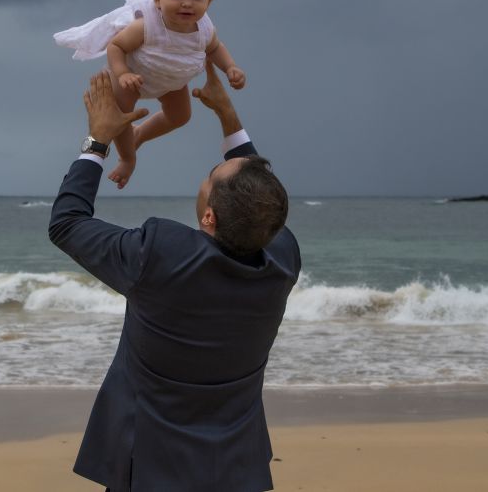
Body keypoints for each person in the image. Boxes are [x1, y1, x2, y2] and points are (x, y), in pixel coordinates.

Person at [48, 64, 301, 491]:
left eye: (210, 178)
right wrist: (228, 117)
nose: (208, 173)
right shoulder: (280, 259)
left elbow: (67, 224)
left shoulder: (160, 254)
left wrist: (98, 142)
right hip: (237, 470)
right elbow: (259, 195)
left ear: (208, 217)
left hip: (147, 467)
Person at [54, 0, 246, 189]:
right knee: (121, 117)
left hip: (171, 80)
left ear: (209, 0)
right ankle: (127, 158)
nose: (187, 3)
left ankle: (140, 134)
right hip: (134, 75)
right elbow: (116, 46)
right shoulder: (147, 25)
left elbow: (215, 48)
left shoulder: (205, 29)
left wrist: (230, 68)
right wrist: (122, 73)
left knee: (181, 116)